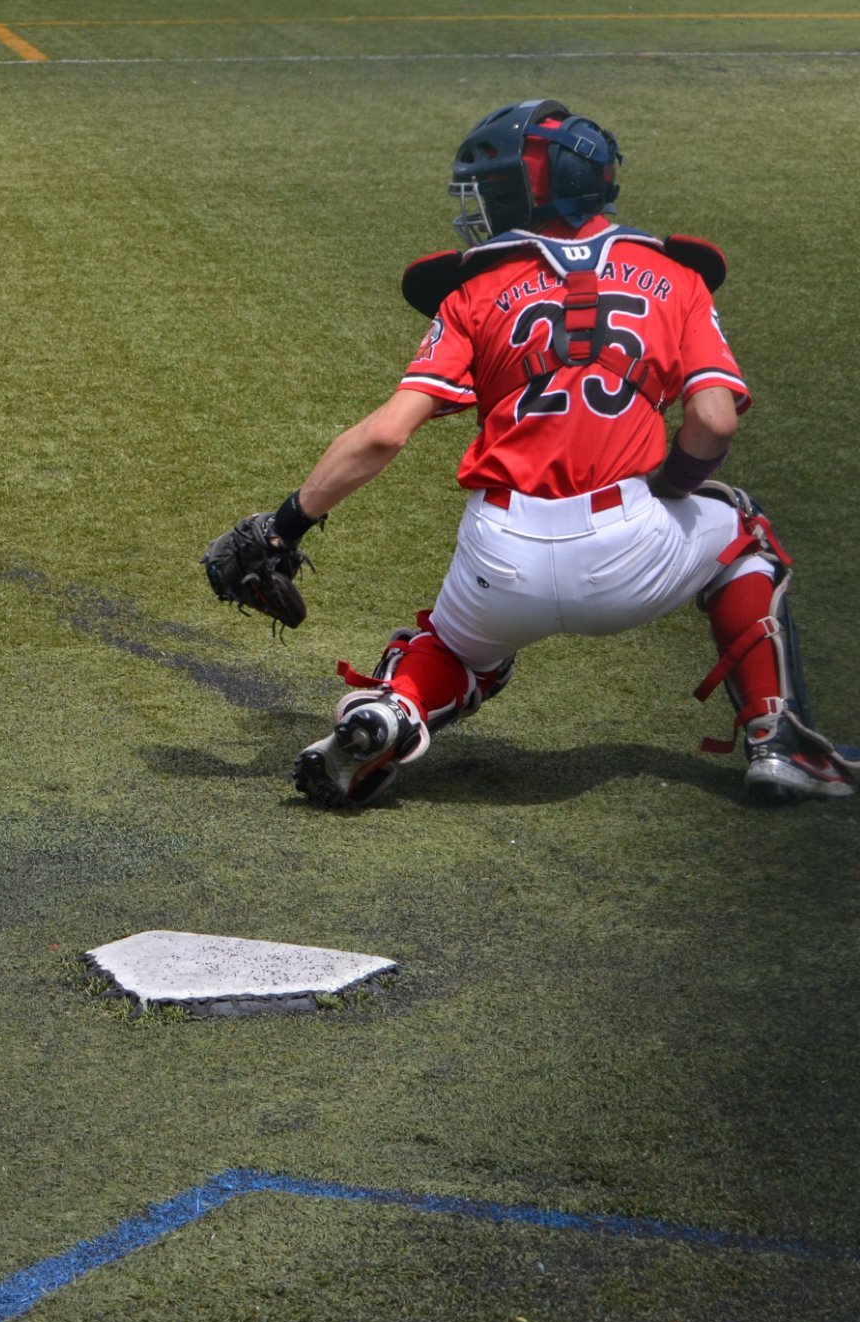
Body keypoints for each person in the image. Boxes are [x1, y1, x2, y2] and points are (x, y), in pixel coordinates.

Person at [221, 99, 853, 807]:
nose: (485, 203)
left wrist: (287, 525)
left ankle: (389, 709)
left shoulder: (476, 288)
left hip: (501, 554)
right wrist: (673, 486)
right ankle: (776, 741)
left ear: (533, 191)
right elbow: (712, 422)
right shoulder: (678, 276)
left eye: (494, 188)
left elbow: (384, 434)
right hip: (631, 548)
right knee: (743, 532)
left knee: (460, 649)